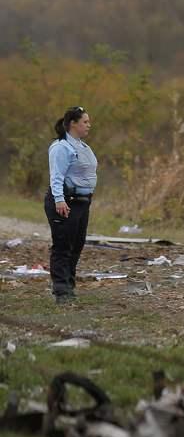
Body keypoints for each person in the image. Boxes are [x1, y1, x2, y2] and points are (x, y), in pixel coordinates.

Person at [44, 106, 98, 304]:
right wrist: (59, 199)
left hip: (82, 202)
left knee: (77, 244)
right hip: (66, 201)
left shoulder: (82, 146)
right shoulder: (61, 147)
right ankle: (61, 291)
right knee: (63, 246)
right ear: (73, 124)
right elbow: (56, 177)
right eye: (85, 122)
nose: (88, 125)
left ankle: (69, 286)